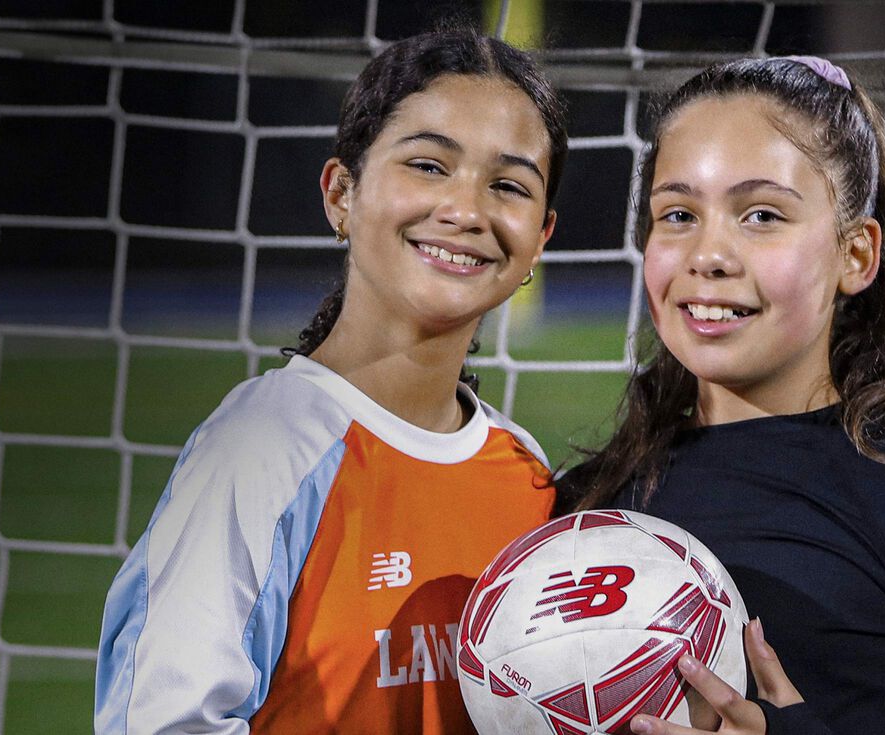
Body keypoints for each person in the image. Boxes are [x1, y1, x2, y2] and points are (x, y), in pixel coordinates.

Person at [94, 25, 568, 734]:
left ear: (540, 238)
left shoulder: (527, 477)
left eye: (507, 185)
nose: (466, 211)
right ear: (341, 192)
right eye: (429, 166)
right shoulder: (261, 451)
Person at [558, 56, 885, 735]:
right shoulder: (584, 508)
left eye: (760, 214)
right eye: (677, 214)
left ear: (856, 255)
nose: (709, 254)